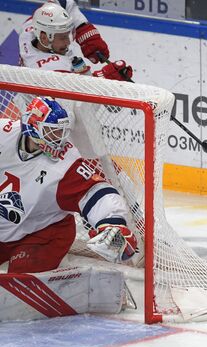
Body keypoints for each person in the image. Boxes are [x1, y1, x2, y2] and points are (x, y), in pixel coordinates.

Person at [0, 96, 137, 273]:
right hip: (6, 226)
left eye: (61, 132)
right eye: (52, 132)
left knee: (21, 279)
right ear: (33, 127)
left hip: (42, 236)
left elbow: (96, 192)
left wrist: (112, 222)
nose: (59, 140)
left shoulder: (66, 164)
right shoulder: (4, 134)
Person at [19, 1, 132, 80]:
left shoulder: (29, 31)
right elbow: (80, 98)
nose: (68, 42)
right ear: (44, 38)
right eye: (62, 37)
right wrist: (105, 77)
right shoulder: (49, 68)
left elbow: (61, 2)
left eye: (68, 34)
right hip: (56, 110)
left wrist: (83, 28)